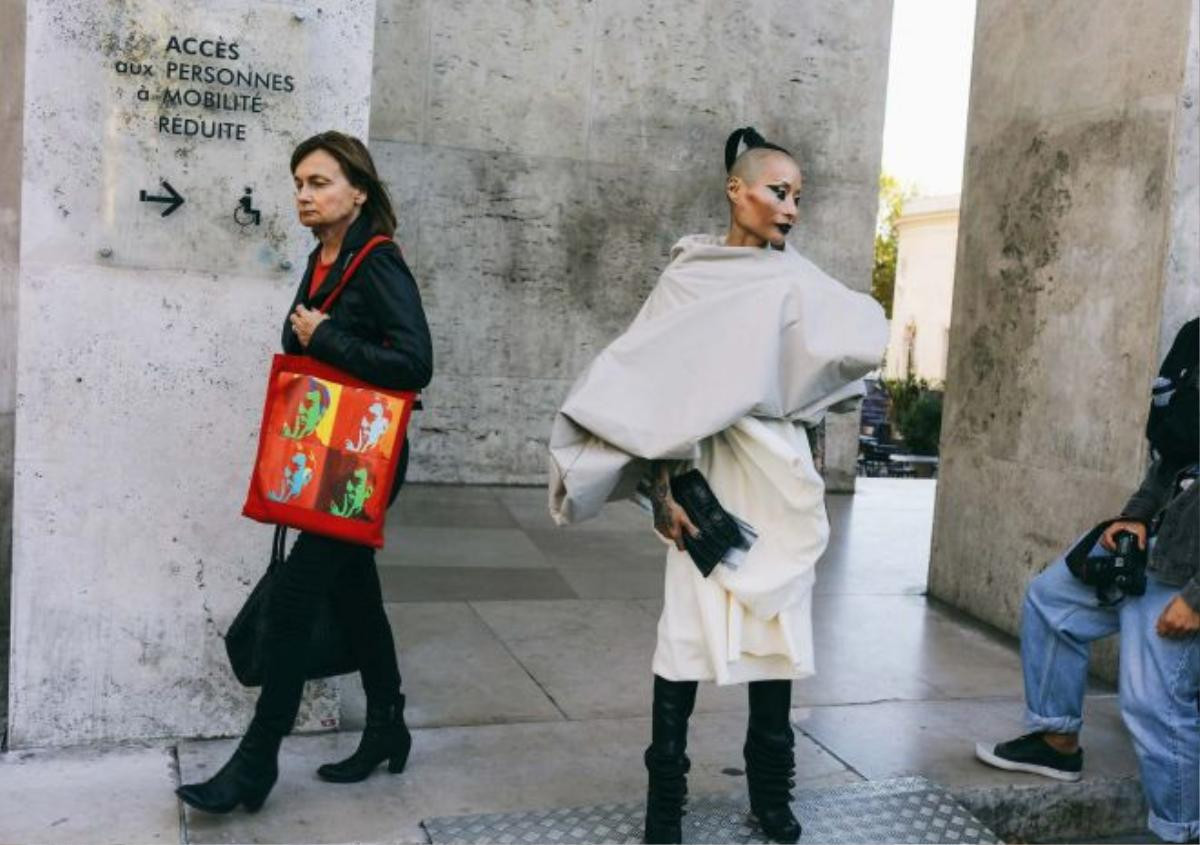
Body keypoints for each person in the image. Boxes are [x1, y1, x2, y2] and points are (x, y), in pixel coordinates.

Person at [548, 127, 887, 844]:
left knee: (776, 636)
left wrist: (804, 400)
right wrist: (663, 493)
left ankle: (770, 797)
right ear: (737, 190)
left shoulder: (799, 280)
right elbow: (654, 383)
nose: (790, 207)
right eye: (777, 191)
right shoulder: (689, 276)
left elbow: (850, 353)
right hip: (711, 472)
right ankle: (662, 809)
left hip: (776, 468)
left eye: (798, 196)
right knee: (682, 638)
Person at [176, 131, 433, 814]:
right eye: (298, 183)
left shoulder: (377, 261)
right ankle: (387, 725)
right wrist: (316, 340)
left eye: (319, 182)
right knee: (354, 597)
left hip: (361, 463)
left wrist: (328, 338)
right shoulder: (323, 258)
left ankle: (256, 763)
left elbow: (415, 362)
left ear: (358, 191)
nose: (304, 195)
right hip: (324, 455)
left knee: (293, 600)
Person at [975, 317, 1199, 844]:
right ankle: (1055, 743)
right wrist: (1135, 518)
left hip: (1190, 569)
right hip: (1159, 538)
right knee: (1053, 601)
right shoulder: (1194, 337)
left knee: (1154, 703)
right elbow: (1171, 455)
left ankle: (1183, 829)